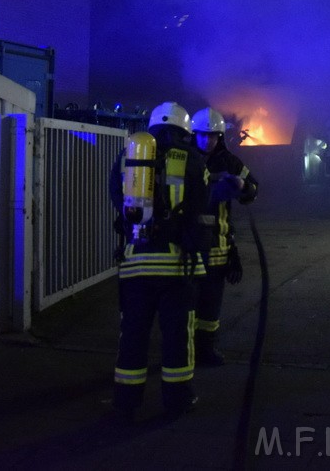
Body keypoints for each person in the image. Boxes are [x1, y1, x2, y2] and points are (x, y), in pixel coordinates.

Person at [108, 101, 214, 422]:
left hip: (135, 263)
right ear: (184, 129)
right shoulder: (193, 159)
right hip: (176, 267)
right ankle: (178, 401)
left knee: (133, 335)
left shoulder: (128, 156)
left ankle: (126, 402)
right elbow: (201, 209)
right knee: (177, 336)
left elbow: (118, 200)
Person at [190, 106, 259, 367]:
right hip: (188, 244)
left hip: (218, 246)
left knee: (210, 305)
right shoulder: (184, 160)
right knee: (186, 304)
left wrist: (243, 187)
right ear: (193, 134)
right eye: (203, 135)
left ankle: (206, 349)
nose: (208, 141)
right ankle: (184, 350)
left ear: (220, 137)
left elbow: (253, 188)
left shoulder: (230, 162)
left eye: (213, 136)